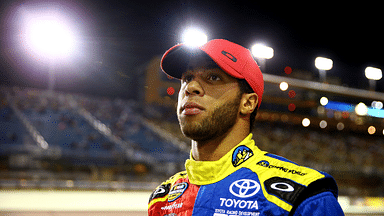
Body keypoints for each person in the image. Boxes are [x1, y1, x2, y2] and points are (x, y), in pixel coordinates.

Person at [148, 39, 344, 216]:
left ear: (248, 103)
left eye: (213, 77)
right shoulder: (162, 199)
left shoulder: (303, 199)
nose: (190, 87)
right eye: (187, 77)